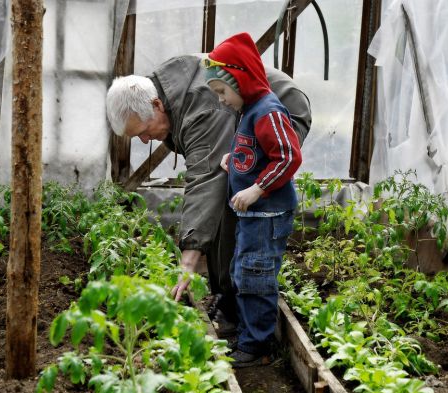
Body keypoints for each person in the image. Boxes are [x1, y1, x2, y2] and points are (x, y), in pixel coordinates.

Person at [105, 52, 310, 336]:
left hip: (282, 110)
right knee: (226, 193)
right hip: (245, 115)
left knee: (233, 201)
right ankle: (229, 292)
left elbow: (205, 178)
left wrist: (189, 259)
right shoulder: (162, 91)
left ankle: (241, 303)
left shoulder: (203, 109)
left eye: (143, 130)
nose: (143, 139)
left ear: (156, 105)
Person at [204, 32, 302, 367]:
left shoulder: (268, 112)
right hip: (254, 217)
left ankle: (257, 346)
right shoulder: (250, 111)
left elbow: (288, 157)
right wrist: (235, 160)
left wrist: (257, 188)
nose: (221, 99)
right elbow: (256, 150)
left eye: (222, 91)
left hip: (268, 214)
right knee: (242, 271)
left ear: (241, 79)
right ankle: (244, 328)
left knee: (255, 277)